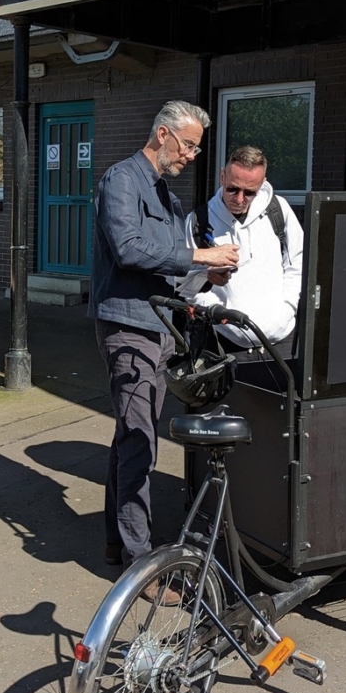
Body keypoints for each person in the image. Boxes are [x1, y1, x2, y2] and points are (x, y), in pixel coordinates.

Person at [91, 100, 239, 573]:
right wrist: (201, 258)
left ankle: (117, 541)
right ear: (162, 134)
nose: (193, 155)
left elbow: (175, 266)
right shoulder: (121, 180)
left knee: (130, 437)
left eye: (197, 147)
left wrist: (205, 278)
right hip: (128, 326)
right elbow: (130, 250)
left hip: (158, 328)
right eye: (189, 145)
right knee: (139, 441)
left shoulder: (168, 197)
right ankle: (140, 563)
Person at [185, 146, 304, 359]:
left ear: (263, 183)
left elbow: (298, 263)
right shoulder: (198, 222)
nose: (239, 199)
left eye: (250, 193)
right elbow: (184, 284)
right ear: (222, 176)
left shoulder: (278, 210)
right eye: (233, 189)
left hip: (282, 341)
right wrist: (215, 306)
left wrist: (288, 308)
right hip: (224, 343)